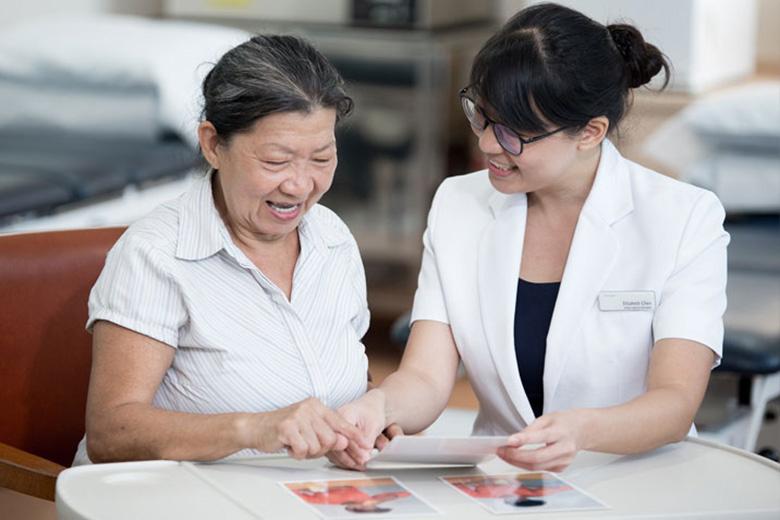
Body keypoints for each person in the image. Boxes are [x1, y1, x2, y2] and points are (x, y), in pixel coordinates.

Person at [329, 3, 728, 472]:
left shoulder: (682, 218)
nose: (487, 145)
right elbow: (426, 377)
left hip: (632, 477)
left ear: (589, 132)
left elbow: (675, 403)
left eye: (514, 133)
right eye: (482, 116)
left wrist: (583, 432)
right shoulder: (459, 204)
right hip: (505, 479)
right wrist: (379, 408)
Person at [73, 34, 374, 464]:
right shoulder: (155, 255)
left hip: (303, 494)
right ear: (213, 144)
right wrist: (254, 427)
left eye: (321, 159)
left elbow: (348, 373)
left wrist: (365, 420)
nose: (300, 185)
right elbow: (110, 432)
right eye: (275, 161)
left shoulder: (332, 237)